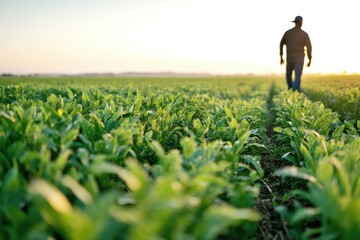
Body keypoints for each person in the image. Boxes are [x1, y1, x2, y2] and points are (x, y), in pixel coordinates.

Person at [280, 16, 312, 92]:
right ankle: (294, 91)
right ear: (301, 23)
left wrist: (281, 56)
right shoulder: (304, 34)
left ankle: (291, 89)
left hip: (290, 58)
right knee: (297, 77)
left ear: (295, 22)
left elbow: (281, 44)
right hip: (299, 59)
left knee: (288, 76)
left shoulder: (288, 33)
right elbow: (309, 47)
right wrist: (309, 59)